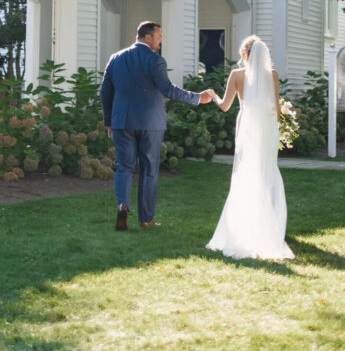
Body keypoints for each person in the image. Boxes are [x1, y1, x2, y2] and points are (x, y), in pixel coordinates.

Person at [100, 19, 213, 230]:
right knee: (149, 169)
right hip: (150, 123)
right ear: (148, 37)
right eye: (159, 36)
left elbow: (105, 91)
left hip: (121, 122)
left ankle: (122, 216)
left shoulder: (115, 59)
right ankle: (146, 220)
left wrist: (109, 121)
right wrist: (198, 98)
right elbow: (168, 90)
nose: (161, 41)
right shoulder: (155, 61)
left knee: (124, 168)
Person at [207, 35, 294, 260]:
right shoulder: (272, 75)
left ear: (244, 54)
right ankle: (268, 226)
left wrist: (213, 96)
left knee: (246, 174)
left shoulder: (236, 75)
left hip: (247, 128)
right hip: (266, 129)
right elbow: (276, 109)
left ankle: (245, 225)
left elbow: (225, 106)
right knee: (266, 173)